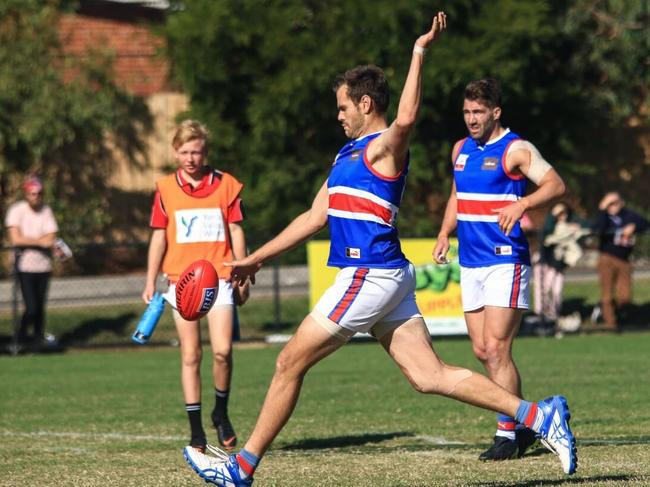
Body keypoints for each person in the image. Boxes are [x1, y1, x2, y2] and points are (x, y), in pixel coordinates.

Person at [182, 14, 577, 486]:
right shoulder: (344, 156)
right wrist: (255, 258)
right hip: (388, 276)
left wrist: (419, 52)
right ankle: (537, 414)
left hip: (367, 274)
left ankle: (241, 468)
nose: (339, 114)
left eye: (343, 106)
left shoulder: (383, 148)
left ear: (365, 103)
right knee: (428, 376)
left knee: (289, 360)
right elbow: (314, 217)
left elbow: (407, 117)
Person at [432, 78, 567, 462]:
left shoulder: (516, 149)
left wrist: (522, 204)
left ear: (496, 112)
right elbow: (457, 194)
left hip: (505, 259)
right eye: (466, 112)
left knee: (496, 348)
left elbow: (557, 185)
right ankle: (523, 424)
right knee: (481, 350)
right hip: (471, 262)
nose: (471, 119)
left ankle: (508, 431)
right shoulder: (460, 149)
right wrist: (444, 231)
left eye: (478, 112)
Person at [142, 120, 250, 452]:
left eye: (197, 151)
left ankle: (221, 412)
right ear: (175, 152)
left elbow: (236, 231)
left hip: (218, 277)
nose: (191, 158)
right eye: (185, 151)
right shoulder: (165, 189)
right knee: (191, 354)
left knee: (222, 351)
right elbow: (159, 237)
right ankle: (196, 431)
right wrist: (150, 280)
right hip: (179, 281)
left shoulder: (226, 185)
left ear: (206, 152)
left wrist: (243, 272)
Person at [4, 177, 60, 350]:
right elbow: (15, 238)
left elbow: (51, 237)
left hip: (43, 266)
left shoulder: (46, 211)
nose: (36, 197)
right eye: (32, 193)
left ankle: (37, 342)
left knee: (40, 308)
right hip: (24, 266)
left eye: (39, 193)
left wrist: (31, 241)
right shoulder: (16, 211)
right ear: (26, 194)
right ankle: (20, 337)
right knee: (31, 307)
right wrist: (40, 241)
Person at [592, 192, 649, 330]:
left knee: (625, 296)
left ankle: (618, 317)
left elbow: (645, 223)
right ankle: (611, 324)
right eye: (609, 203)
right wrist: (602, 209)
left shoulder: (628, 215)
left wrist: (634, 226)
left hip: (624, 260)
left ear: (621, 203)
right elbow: (597, 228)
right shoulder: (604, 217)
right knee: (607, 294)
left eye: (615, 203)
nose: (612, 206)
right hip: (607, 258)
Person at [535, 202, 590, 324]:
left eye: (563, 213)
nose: (561, 216)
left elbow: (588, 226)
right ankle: (541, 314)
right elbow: (545, 234)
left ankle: (554, 314)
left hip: (558, 264)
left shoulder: (571, 224)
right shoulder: (550, 225)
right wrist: (553, 216)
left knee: (557, 290)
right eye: (558, 214)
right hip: (546, 262)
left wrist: (575, 226)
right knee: (544, 289)